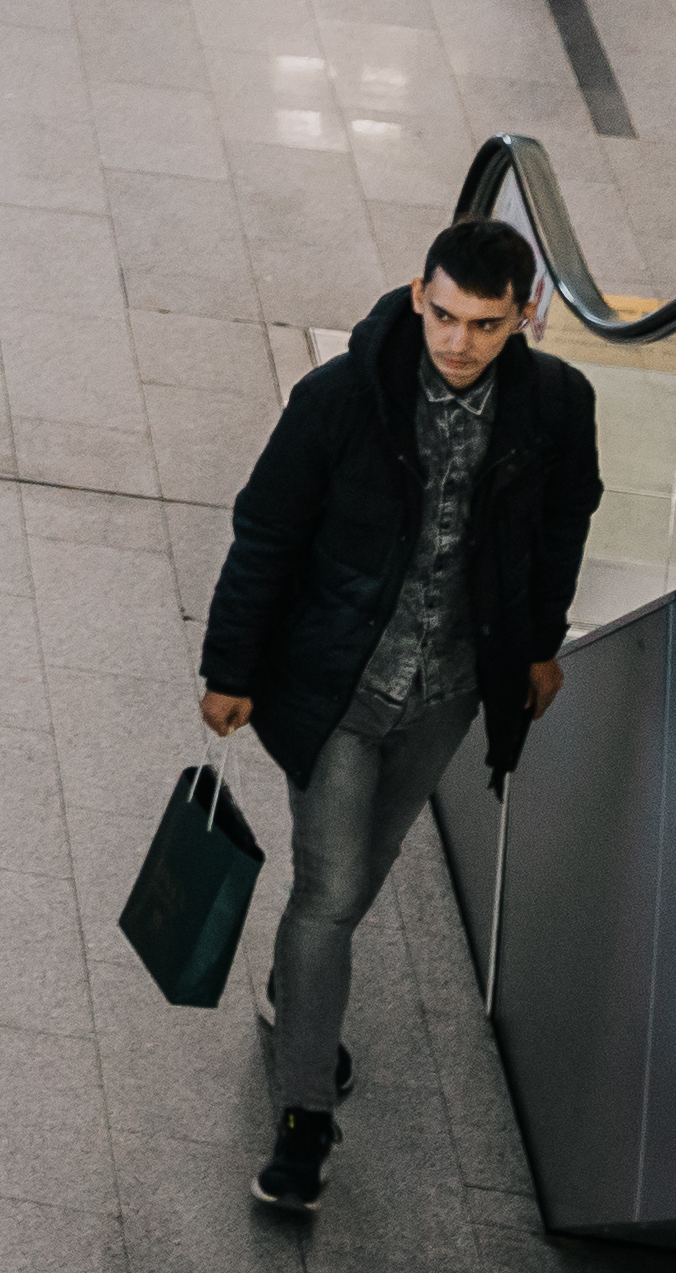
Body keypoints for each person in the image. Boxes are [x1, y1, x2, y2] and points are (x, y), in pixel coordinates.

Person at [200, 216, 598, 1214]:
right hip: (333, 685)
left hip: (450, 689)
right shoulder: (343, 397)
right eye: (446, 314)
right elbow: (268, 531)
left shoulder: (555, 403)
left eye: (486, 324)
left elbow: (564, 520)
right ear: (419, 294)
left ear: (524, 318)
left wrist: (541, 640)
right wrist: (230, 664)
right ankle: (302, 1115)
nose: (459, 342)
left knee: (360, 877)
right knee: (331, 890)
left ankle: (300, 998)